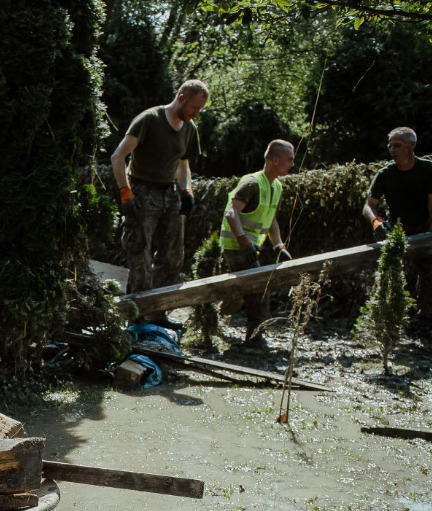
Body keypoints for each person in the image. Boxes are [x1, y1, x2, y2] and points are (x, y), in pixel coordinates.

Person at [111, 80, 208, 295]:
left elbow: (183, 165)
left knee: (173, 254)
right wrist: (125, 192)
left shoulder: (190, 129)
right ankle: (138, 312)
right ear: (181, 98)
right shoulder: (149, 119)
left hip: (170, 192)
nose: (196, 113)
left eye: (200, 109)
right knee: (140, 251)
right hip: (142, 191)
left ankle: (159, 311)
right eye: (194, 107)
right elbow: (118, 156)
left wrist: (187, 191)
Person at [362, 126, 432, 340]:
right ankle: (397, 324)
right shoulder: (385, 174)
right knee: (397, 279)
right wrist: (375, 222)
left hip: (424, 231)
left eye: (397, 145)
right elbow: (369, 205)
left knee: (429, 280)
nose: (392, 149)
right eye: (390, 145)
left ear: (412, 146)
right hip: (397, 232)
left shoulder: (430, 170)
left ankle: (427, 324)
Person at [218, 139, 296, 347]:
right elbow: (231, 213)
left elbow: (271, 220)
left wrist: (280, 246)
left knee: (242, 291)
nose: (292, 164)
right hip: (237, 246)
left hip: (251, 247)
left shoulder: (276, 186)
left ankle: (215, 315)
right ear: (275, 159)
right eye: (289, 159)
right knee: (258, 289)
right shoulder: (252, 183)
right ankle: (254, 337)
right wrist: (244, 242)